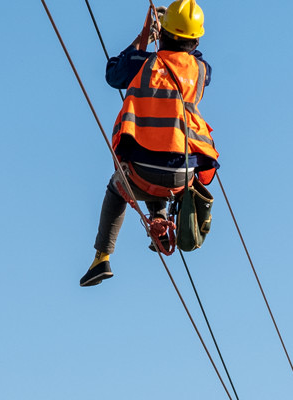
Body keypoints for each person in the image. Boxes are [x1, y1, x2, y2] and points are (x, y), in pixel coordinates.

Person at [82, 1, 220, 287]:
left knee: (120, 184)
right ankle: (160, 224)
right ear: (195, 41)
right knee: (159, 159)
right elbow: (193, 58)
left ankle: (102, 257)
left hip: (143, 170)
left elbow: (113, 74)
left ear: (164, 34)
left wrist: (144, 35)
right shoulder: (201, 71)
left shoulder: (142, 64)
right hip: (183, 176)